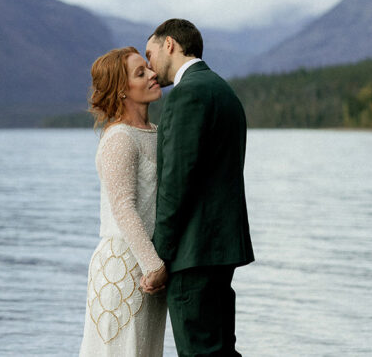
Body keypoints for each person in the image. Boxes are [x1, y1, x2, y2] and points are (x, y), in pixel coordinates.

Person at [141, 19, 254, 356]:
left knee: (199, 352)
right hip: (222, 250)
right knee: (220, 351)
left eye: (150, 53)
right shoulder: (223, 90)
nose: (149, 65)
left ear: (170, 45)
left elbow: (176, 183)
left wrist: (158, 256)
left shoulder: (186, 95)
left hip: (194, 254)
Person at [80, 46, 168, 356]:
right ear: (121, 90)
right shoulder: (119, 138)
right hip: (125, 266)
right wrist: (154, 266)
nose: (153, 74)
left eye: (148, 68)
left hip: (148, 267)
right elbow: (124, 208)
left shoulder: (156, 132)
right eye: (140, 73)